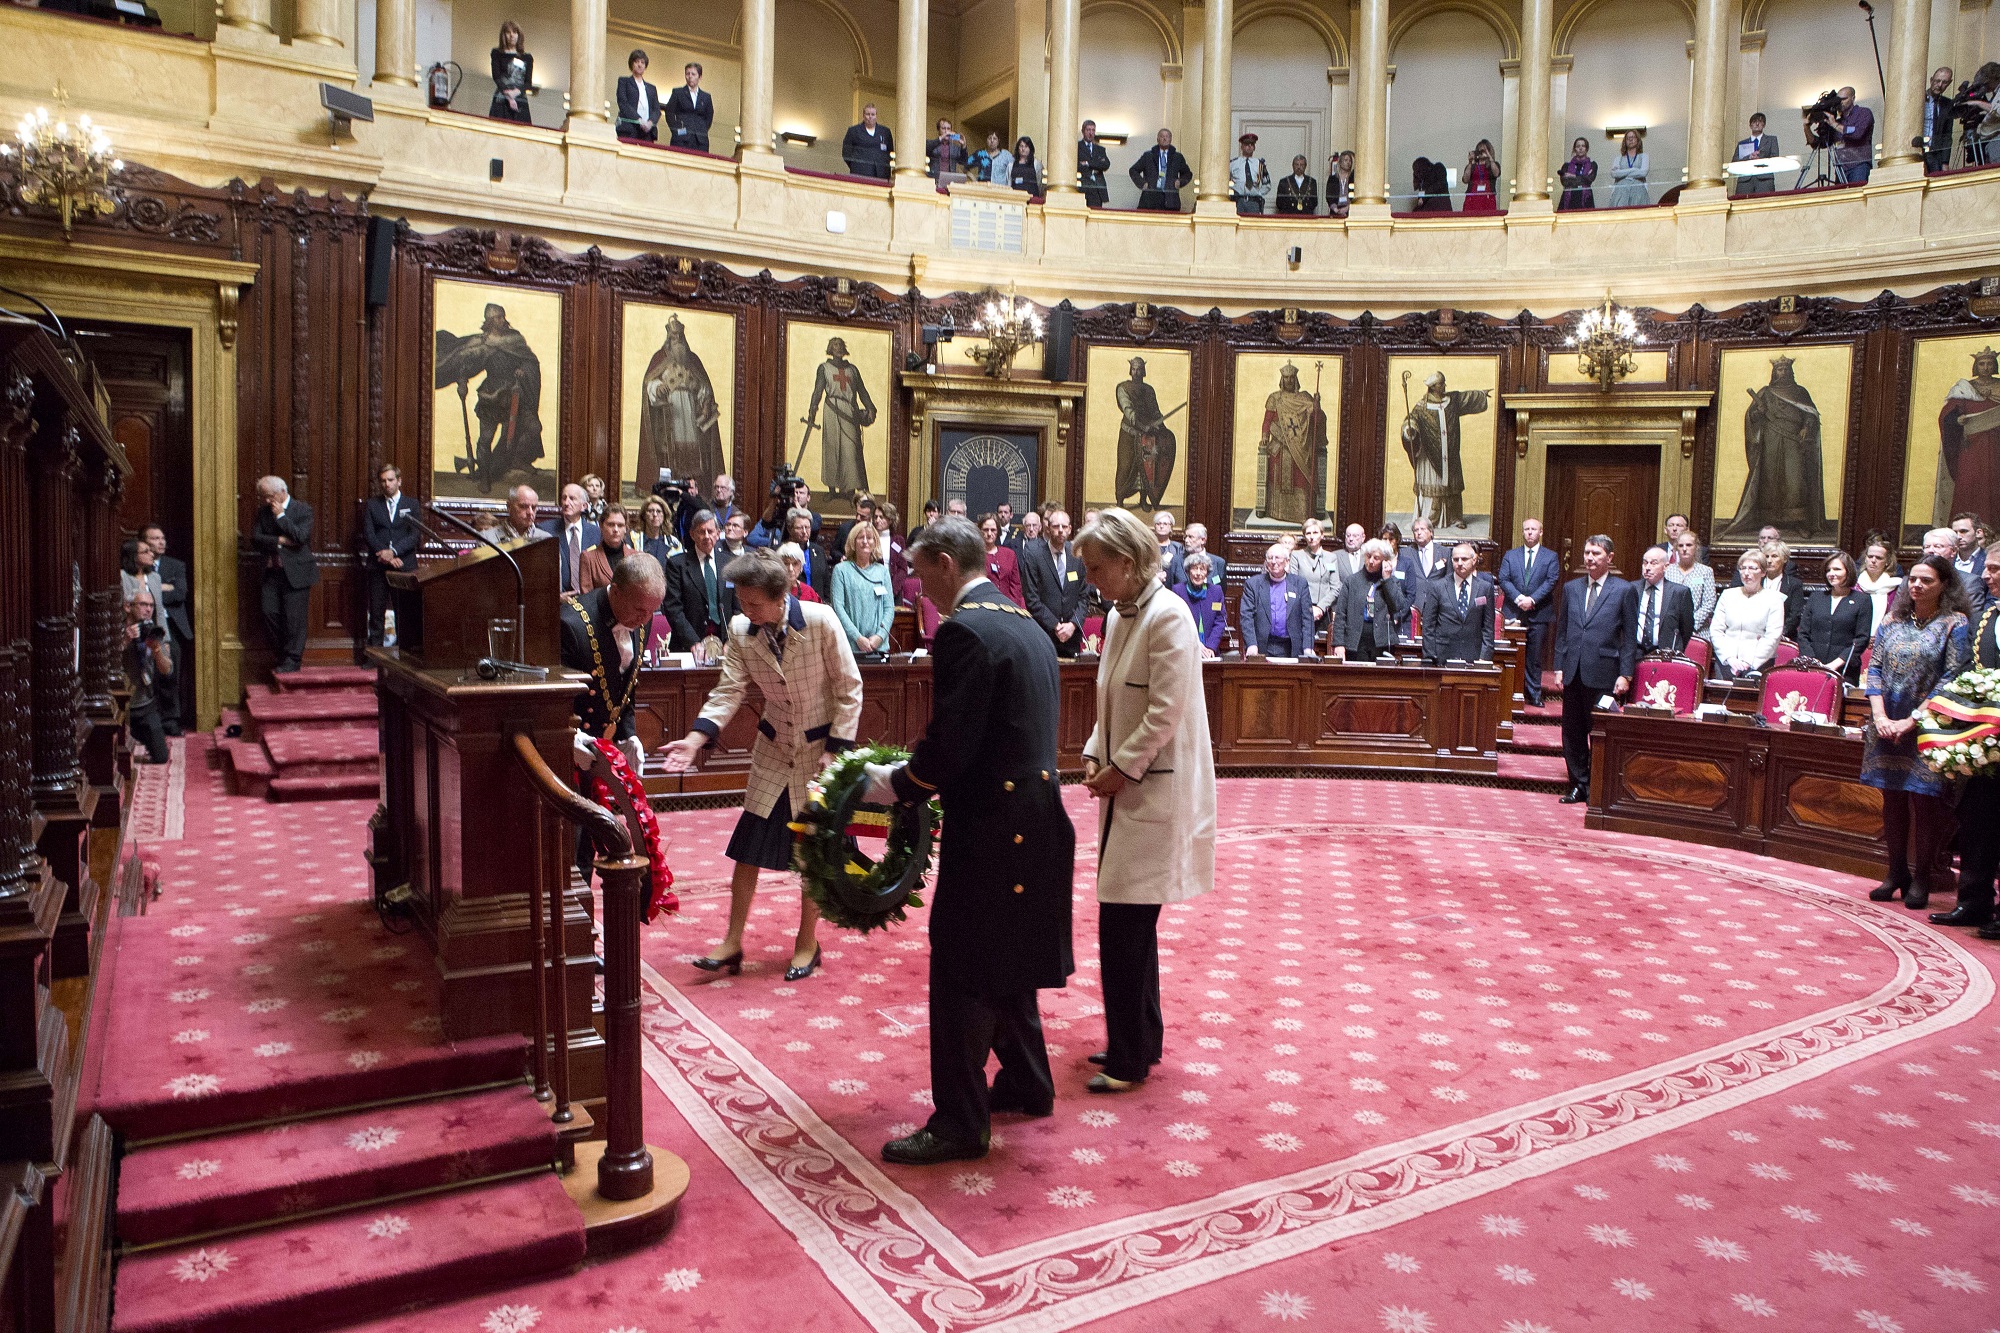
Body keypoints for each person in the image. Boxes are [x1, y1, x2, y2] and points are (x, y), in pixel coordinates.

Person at [863, 517, 1076, 1165]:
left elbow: (951, 747)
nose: (920, 588)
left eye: (924, 573)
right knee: (1005, 952)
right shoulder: (1025, 624)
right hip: (1039, 818)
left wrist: (894, 784)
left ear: (949, 564)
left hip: (991, 824)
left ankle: (960, 1118)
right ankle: (1028, 1081)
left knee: (960, 962)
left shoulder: (963, 630)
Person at [664, 551, 863, 978]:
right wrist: (696, 738)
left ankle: (807, 944)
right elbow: (728, 690)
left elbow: (850, 689)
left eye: (754, 603)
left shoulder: (822, 622)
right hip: (773, 749)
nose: (745, 611)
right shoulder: (741, 630)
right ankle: (732, 942)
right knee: (747, 849)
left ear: (781, 597)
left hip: (818, 752)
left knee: (810, 849)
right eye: (741, 602)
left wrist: (836, 750)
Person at [1075, 509, 1215, 1093]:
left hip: (1154, 786)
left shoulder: (1170, 617)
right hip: (1125, 783)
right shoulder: (1117, 612)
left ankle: (1130, 1059)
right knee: (1129, 922)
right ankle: (1139, 1038)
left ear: (1129, 565)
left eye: (1097, 567)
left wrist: (1119, 768)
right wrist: (1092, 750)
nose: (1091, 579)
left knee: (1125, 925)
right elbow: (1111, 698)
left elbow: (1165, 711)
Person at [1864, 555, 1973, 910]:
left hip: (1927, 726)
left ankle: (1922, 877)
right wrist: (1880, 715)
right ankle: (1896, 872)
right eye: (1913, 579)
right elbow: (1875, 668)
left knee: (1924, 802)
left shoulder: (1954, 624)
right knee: (1892, 799)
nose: (1916, 586)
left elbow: (1952, 677)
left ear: (1944, 585)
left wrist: (1912, 720)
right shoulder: (1893, 620)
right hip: (1885, 722)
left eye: (1926, 580)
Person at [560, 553, 667, 882]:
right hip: (571, 747)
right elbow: (553, 698)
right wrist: (568, 735)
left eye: (651, 611)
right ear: (616, 590)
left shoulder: (641, 615)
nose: (645, 618)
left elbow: (626, 684)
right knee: (574, 838)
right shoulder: (571, 623)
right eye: (639, 609)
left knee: (599, 832)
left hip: (604, 745)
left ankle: (586, 911)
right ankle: (573, 918)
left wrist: (629, 732)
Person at [1932, 541, 2000, 934]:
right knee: (1977, 823)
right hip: (1985, 743)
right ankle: (1973, 902)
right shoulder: (1987, 616)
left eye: (1993, 569)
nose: (1985, 576)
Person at [1553, 535, 1637, 804]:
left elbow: (1630, 637)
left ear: (1609, 558)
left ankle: (1599, 786)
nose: (1590, 558)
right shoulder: (1572, 588)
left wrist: (1626, 674)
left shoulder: (1624, 590)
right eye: (1587, 552)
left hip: (1604, 671)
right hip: (1574, 670)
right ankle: (1579, 784)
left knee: (1598, 730)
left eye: (1596, 553)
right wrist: (1558, 666)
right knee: (1572, 731)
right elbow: (1563, 631)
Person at [1399, 369, 1489, 529]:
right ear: (1433, 387)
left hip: (1450, 451)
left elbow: (1467, 398)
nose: (1444, 386)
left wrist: (1481, 394)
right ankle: (1429, 520)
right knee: (1433, 487)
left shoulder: (1452, 401)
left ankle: (1455, 518)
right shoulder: (1421, 407)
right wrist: (1409, 430)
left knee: (1453, 486)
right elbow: (1411, 420)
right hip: (1430, 455)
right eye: (1441, 384)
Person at [251, 476, 316, 675]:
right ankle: (282, 655)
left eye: (269, 496)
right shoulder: (262, 512)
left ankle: (293, 659)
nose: (266, 501)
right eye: (263, 497)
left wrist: (281, 517)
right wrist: (279, 540)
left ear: (281, 492)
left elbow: (301, 537)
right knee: (269, 613)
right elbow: (256, 538)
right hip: (272, 573)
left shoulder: (302, 510)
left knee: (294, 619)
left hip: (297, 573)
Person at [804, 337, 877, 499]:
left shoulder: (852, 370)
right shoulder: (824, 368)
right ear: (830, 348)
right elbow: (818, 391)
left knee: (850, 449)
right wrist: (812, 409)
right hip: (831, 410)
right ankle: (831, 490)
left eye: (840, 345)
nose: (838, 348)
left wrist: (870, 407)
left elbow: (862, 391)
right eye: (835, 346)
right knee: (832, 449)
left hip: (850, 411)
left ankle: (850, 491)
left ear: (844, 349)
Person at [1498, 518, 1561, 706]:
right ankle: (1508, 692)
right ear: (1522, 532)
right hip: (1513, 611)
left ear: (1541, 532)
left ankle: (1534, 693)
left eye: (1534, 529)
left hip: (1538, 611)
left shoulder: (1550, 556)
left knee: (1534, 656)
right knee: (1510, 654)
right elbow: (1504, 578)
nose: (1530, 532)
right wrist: (1519, 599)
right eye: (1526, 529)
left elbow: (1551, 581)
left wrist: (1531, 600)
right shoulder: (1511, 555)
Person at [362, 463, 421, 647]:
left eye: (390, 480)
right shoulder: (372, 504)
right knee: (376, 612)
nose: (387, 484)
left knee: (404, 612)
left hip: (404, 565)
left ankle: (405, 653)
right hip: (378, 566)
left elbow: (415, 535)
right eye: (383, 481)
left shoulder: (412, 504)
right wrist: (385, 555)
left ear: (399, 481)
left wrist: (394, 552)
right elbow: (369, 534)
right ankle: (375, 655)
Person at [663, 510, 738, 653]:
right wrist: (692, 642)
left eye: (710, 531)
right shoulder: (677, 564)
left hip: (726, 643)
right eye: (701, 532)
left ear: (718, 533)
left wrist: (732, 640)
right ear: (692, 534)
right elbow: (673, 609)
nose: (706, 536)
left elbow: (738, 606)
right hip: (688, 644)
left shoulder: (730, 562)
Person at [142, 523, 192, 734]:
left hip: (170, 625)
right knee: (146, 673)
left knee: (170, 672)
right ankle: (149, 719)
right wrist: (163, 586)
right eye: (155, 538)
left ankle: (170, 719)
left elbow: (179, 594)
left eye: (162, 538)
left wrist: (153, 588)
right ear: (144, 542)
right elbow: (138, 595)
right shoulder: (136, 566)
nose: (161, 542)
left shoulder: (175, 565)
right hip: (145, 624)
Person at [1710, 549, 1788, 678]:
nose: (1746, 573)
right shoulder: (1728, 595)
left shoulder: (1774, 599)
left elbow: (1773, 636)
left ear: (1763, 572)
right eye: (1743, 568)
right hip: (1727, 662)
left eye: (1752, 568)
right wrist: (1730, 659)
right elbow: (1716, 630)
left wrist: (1750, 662)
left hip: (1759, 663)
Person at [1020, 510, 1087, 658]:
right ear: (1048, 528)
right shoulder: (1035, 554)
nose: (1060, 530)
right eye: (1056, 526)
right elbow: (1031, 598)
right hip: (1044, 633)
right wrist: (1056, 626)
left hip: (1072, 635)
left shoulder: (1077, 555)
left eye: (1064, 526)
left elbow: (1084, 596)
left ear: (1070, 529)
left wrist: (1072, 625)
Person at [1114, 357, 1177, 509]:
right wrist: (1141, 425)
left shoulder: (1149, 390)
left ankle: (1144, 500)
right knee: (1126, 466)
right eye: (1134, 369)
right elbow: (1127, 409)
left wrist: (1161, 426)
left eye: (1139, 369)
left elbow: (1155, 410)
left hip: (1147, 435)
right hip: (1129, 434)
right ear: (1131, 370)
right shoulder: (1123, 387)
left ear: (1144, 371)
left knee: (1146, 467)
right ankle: (1120, 501)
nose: (1136, 372)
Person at [1798, 550, 1871, 681]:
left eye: (1837, 569)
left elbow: (1861, 639)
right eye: (1828, 570)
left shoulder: (1862, 600)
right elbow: (1803, 633)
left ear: (1848, 571)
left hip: (1845, 670)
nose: (1831, 574)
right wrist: (1814, 663)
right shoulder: (1816, 598)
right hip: (1813, 668)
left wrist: (1834, 665)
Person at [1420, 541, 1496, 664]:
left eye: (1464, 559)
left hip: (1474, 656)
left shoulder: (1484, 588)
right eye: (1456, 559)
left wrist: (1485, 658)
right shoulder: (1437, 587)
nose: (1459, 563)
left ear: (1474, 560)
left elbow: (1488, 627)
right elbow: (1428, 626)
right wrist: (1430, 656)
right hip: (1442, 657)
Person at [1330, 538, 1404, 662]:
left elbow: (1397, 606)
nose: (1370, 561)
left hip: (1382, 642)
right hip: (1356, 642)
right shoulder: (1352, 581)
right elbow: (1341, 614)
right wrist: (1338, 643)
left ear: (1385, 560)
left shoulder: (1391, 581)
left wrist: (1387, 580)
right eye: (1368, 556)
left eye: (1376, 558)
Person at [830, 521, 894, 660]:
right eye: (861, 537)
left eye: (869, 537)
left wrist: (880, 636)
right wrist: (858, 638)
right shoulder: (841, 570)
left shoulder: (882, 571)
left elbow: (889, 608)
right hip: (851, 646)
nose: (865, 541)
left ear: (875, 542)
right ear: (853, 542)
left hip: (878, 646)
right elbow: (838, 607)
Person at [123, 590, 172, 764]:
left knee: (161, 757)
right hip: (122, 705)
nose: (148, 609)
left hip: (145, 706)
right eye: (143, 604)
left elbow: (167, 670)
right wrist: (125, 642)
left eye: (151, 605)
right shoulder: (117, 630)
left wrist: (157, 649)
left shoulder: (154, 632)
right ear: (128, 607)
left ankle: (140, 733)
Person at [1241, 543, 1314, 656]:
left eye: (1278, 558)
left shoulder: (1300, 584)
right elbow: (1246, 617)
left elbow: (1307, 618)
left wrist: (1308, 647)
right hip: (1262, 646)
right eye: (1270, 558)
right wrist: (1251, 644)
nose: (1273, 562)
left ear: (1287, 561)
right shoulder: (1253, 584)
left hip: (1291, 646)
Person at [1631, 544, 1696, 656]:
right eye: (1645, 563)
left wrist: (1676, 650)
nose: (1647, 567)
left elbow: (1686, 629)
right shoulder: (1631, 589)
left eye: (1654, 563)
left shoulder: (1679, 593)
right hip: (1635, 653)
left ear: (1666, 566)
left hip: (1666, 655)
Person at [538, 483, 600, 595]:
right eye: (564, 498)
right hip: (558, 599)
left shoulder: (596, 532)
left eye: (572, 499)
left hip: (588, 598)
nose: (566, 503)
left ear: (584, 506)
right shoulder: (546, 530)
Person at [1289, 519, 1340, 639]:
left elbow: (1335, 588)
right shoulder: (1297, 556)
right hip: (1302, 609)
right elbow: (1293, 584)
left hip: (1323, 612)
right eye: (1308, 533)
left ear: (1322, 535)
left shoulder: (1331, 558)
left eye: (1315, 533)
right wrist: (1308, 608)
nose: (1312, 537)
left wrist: (1320, 608)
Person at [1665, 531, 1718, 635]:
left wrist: (1690, 624)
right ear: (1676, 549)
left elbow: (1709, 602)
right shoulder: (1668, 571)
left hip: (1698, 630)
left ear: (1696, 547)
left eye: (1689, 545)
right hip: (1671, 628)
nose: (1684, 549)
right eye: (1681, 546)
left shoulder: (1705, 571)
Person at [1173, 552, 1226, 656]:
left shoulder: (1216, 591)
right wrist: (1196, 644)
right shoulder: (1178, 590)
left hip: (1209, 652)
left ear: (1207, 572)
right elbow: (1177, 623)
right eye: (1194, 568)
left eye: (1202, 569)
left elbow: (1220, 621)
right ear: (1188, 571)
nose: (1198, 573)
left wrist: (1210, 647)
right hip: (1185, 650)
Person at [577, 503, 632, 596]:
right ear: (601, 526)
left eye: (620, 525)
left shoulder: (636, 556)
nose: (615, 529)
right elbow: (587, 599)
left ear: (626, 528)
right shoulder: (588, 557)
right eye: (611, 524)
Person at [1130, 129, 1192, 211]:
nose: (1165, 139)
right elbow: (1133, 170)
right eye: (1162, 136)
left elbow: (1188, 174)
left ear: (1170, 139)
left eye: (1167, 136)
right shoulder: (1148, 156)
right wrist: (1143, 184)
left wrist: (1179, 182)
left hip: (1170, 199)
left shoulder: (1177, 157)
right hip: (1150, 198)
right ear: (1158, 139)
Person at [1824, 86, 1873, 184]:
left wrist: (1835, 125)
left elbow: (1857, 134)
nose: (1841, 102)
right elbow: (1820, 143)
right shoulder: (1837, 121)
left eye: (1844, 99)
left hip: (1859, 165)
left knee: (1857, 195)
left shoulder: (1863, 113)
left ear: (1853, 98)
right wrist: (1807, 126)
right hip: (1841, 168)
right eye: (1839, 100)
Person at [489, 22, 532, 124]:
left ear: (519, 35)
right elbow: (497, 77)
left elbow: (528, 83)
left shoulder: (527, 58)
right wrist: (509, 97)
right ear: (504, 35)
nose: (511, 35)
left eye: (515, 32)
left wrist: (515, 93)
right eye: (508, 32)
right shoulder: (497, 53)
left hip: (520, 101)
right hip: (501, 100)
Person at [664, 62, 713, 152]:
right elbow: (669, 113)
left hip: (700, 141)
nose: (690, 76)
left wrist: (701, 129)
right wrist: (677, 130)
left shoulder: (706, 97)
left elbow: (709, 117)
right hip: (681, 138)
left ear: (700, 77)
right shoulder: (678, 92)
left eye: (693, 74)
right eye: (687, 74)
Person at [1950, 510, 1991, 616]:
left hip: (1978, 617)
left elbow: (1992, 598)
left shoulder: (1989, 561)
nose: (1958, 536)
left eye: (1964, 531)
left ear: (1978, 533)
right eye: (1955, 532)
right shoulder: (1948, 560)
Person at [978, 513, 1024, 607]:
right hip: (983, 607)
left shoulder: (1009, 554)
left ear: (998, 531)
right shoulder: (975, 555)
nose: (989, 533)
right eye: (986, 530)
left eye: (993, 530)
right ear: (980, 531)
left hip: (1009, 608)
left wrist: (1012, 608)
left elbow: (1016, 585)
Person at [1858, 537, 1904, 632]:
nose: (1873, 560)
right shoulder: (1854, 586)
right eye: (1870, 556)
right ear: (1865, 559)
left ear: (1887, 562)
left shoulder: (1896, 587)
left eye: (1879, 558)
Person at [615, 49, 661, 142]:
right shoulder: (624, 81)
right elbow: (623, 103)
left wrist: (650, 123)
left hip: (647, 133)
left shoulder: (651, 88)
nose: (640, 65)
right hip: (629, 129)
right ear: (631, 64)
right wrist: (638, 120)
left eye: (642, 62)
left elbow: (657, 110)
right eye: (636, 62)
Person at [841, 103, 893, 180]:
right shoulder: (854, 131)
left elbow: (890, 153)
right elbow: (846, 152)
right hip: (860, 173)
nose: (870, 117)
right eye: (868, 114)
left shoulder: (885, 132)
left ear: (876, 116)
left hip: (881, 174)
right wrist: (855, 164)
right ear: (863, 115)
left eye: (873, 114)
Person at [1731, 113, 1778, 196]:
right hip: (1745, 180)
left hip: (1764, 179)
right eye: (1754, 122)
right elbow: (1734, 161)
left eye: (1760, 121)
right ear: (1750, 125)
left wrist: (1760, 159)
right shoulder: (1742, 143)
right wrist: (1749, 157)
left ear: (1764, 124)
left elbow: (1775, 158)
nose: (1757, 124)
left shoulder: (1771, 140)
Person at [1923, 67, 1957, 173]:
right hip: (1918, 151)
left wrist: (1945, 162)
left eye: (1944, 82)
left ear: (1949, 83)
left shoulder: (1948, 104)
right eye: (1937, 81)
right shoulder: (1919, 99)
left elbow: (1947, 136)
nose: (1940, 85)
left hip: (1935, 153)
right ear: (1931, 80)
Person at [1229, 132, 1270, 214]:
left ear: (1254, 147)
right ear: (1242, 147)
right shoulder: (1233, 163)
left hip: (1253, 201)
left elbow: (1267, 184)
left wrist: (1258, 193)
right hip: (1238, 200)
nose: (1249, 146)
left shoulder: (1259, 164)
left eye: (1252, 144)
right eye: (1247, 144)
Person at [1607, 130, 1649, 207]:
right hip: (1621, 192)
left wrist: (1622, 173)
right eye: (1628, 138)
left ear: (1637, 140)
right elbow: (1614, 174)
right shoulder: (1618, 158)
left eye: (1633, 137)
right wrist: (1633, 170)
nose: (1630, 139)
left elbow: (1643, 173)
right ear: (1625, 141)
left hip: (1638, 191)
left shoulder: (1644, 156)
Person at [637, 494, 682, 563]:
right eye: (650, 511)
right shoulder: (635, 541)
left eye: (658, 511)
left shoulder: (673, 543)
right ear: (644, 516)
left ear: (664, 516)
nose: (655, 514)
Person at [1077, 120, 1112, 206]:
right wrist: (1096, 165)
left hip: (1098, 188)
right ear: (1083, 131)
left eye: (1093, 130)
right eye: (1088, 130)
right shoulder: (1077, 147)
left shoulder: (1100, 149)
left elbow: (1106, 165)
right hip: (1083, 186)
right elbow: (1076, 166)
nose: (1091, 133)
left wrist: (1088, 163)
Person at [1557, 137, 1597, 210]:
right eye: (1578, 146)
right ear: (1575, 149)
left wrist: (1572, 176)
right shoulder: (1566, 166)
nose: (1580, 148)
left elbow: (1589, 180)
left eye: (1583, 146)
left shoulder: (1592, 165)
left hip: (1586, 199)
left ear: (1586, 149)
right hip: (1570, 199)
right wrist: (1583, 177)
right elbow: (1565, 182)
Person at [1461, 139, 1499, 213]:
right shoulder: (1472, 166)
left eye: (1484, 150)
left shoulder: (1493, 165)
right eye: (1479, 151)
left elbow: (1496, 173)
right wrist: (1470, 162)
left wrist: (1489, 157)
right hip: (1472, 200)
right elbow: (1465, 180)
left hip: (1488, 200)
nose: (1481, 153)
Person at [1325, 149, 1354, 218]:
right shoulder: (1333, 178)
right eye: (1346, 160)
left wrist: (1347, 208)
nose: (1348, 163)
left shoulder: (1353, 178)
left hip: (1350, 210)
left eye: (1350, 161)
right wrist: (1336, 209)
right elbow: (1329, 196)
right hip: (1335, 210)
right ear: (1340, 162)